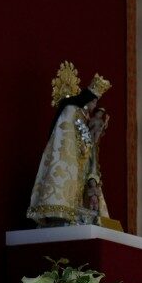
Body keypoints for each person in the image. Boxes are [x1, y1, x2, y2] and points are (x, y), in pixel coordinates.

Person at [27, 61, 113, 227]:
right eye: (94, 101)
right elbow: (64, 141)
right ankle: (62, 209)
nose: (95, 105)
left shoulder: (85, 117)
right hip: (70, 162)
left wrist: (95, 136)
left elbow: (88, 148)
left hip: (81, 169)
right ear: (87, 98)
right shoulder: (71, 111)